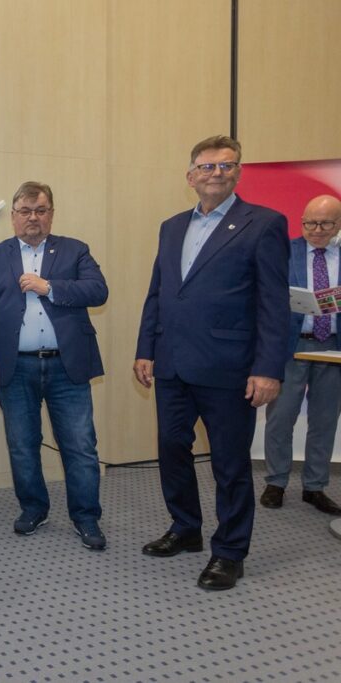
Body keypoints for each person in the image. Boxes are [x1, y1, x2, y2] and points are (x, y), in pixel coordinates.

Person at [134, 135, 290, 591]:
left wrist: (268, 368)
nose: (216, 173)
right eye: (206, 166)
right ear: (190, 176)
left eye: (226, 166)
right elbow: (158, 293)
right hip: (173, 364)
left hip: (230, 368)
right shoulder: (171, 226)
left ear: (238, 172)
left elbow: (274, 305)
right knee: (171, 451)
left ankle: (229, 551)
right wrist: (146, 348)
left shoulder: (263, 224)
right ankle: (185, 529)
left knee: (229, 464)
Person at [0, 182, 108, 549]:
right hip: (15, 369)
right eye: (26, 211)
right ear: (14, 216)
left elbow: (98, 290)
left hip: (67, 366)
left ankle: (86, 516)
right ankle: (33, 508)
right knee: (22, 444)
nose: (33, 218)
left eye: (41, 210)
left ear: (51, 214)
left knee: (80, 445)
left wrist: (50, 287)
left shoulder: (75, 250)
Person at [261, 195, 341, 515]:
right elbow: (265, 292)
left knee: (324, 419)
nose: (316, 230)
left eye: (325, 223)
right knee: (281, 416)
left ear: (339, 223)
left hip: (333, 347)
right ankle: (276, 482)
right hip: (292, 344)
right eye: (309, 222)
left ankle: (315, 486)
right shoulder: (285, 251)